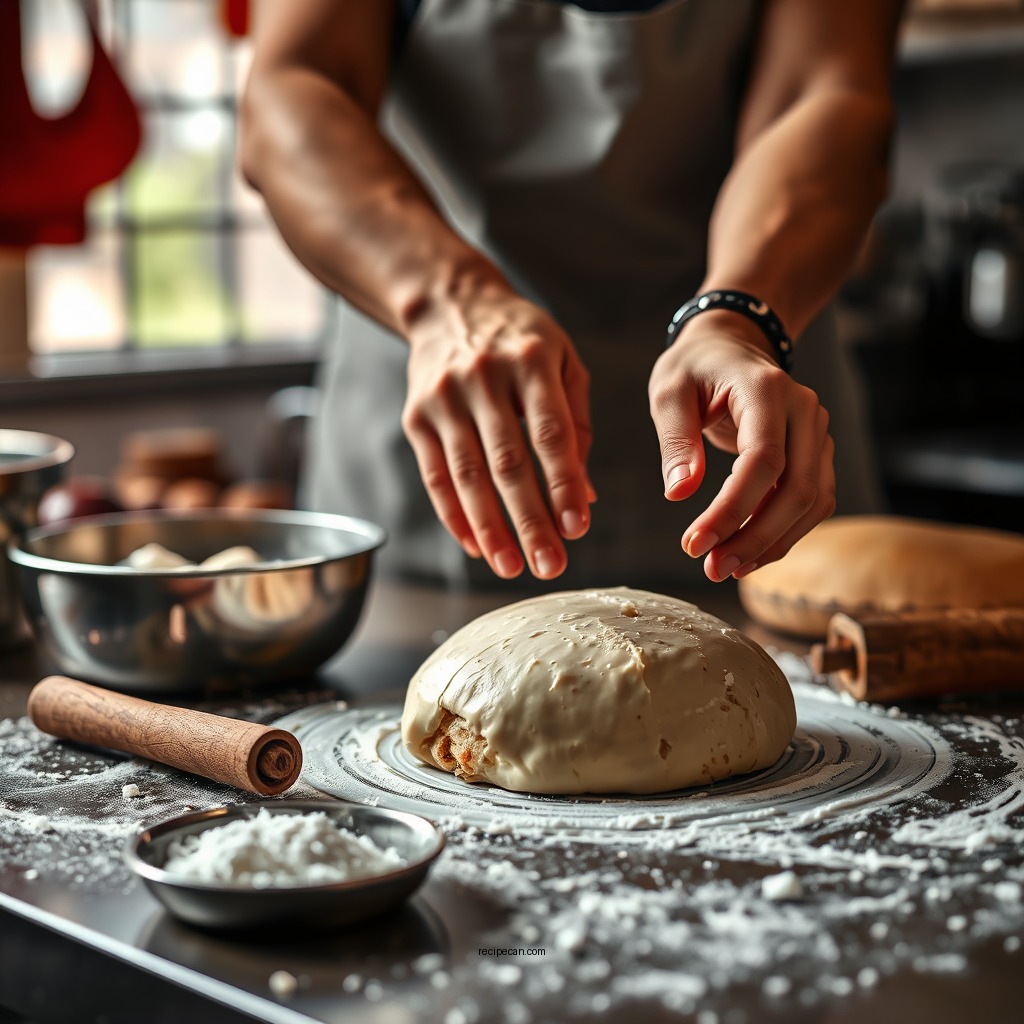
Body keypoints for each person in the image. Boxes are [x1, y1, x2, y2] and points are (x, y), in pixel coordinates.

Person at [240, 0, 904, 591]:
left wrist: (738, 318)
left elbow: (827, 90)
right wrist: (450, 299)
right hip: (443, 441)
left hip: (751, 422)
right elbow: (292, 89)